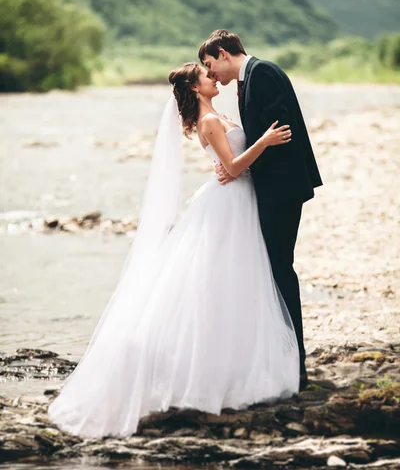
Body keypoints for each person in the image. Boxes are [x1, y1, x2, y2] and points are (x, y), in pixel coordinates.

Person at [47, 62, 299, 439]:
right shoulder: (209, 122)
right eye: (205, 75)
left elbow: (230, 167)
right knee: (217, 283)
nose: (212, 77)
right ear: (195, 89)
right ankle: (204, 373)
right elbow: (230, 166)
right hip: (227, 205)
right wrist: (264, 141)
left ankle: (232, 364)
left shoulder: (220, 114)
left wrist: (245, 158)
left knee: (238, 282)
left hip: (239, 201)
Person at [199, 30, 323, 389]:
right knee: (273, 270)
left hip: (280, 190)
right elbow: (260, 137)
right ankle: (282, 357)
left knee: (279, 271)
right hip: (271, 189)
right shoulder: (250, 79)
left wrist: (240, 166)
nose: (214, 75)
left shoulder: (262, 73)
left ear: (223, 54)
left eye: (211, 65)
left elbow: (277, 134)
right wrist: (234, 163)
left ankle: (294, 363)